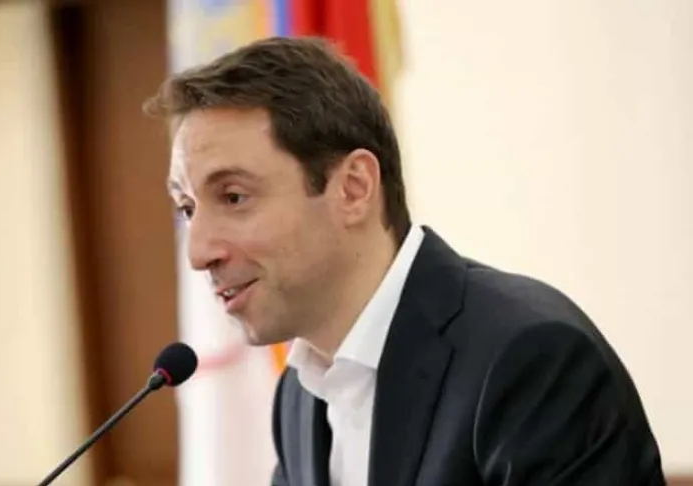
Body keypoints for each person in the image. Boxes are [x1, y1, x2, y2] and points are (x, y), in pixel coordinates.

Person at [144, 36, 665, 486]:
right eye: (187, 208)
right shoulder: (298, 398)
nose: (198, 252)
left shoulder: (531, 360)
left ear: (353, 189)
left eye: (234, 197)